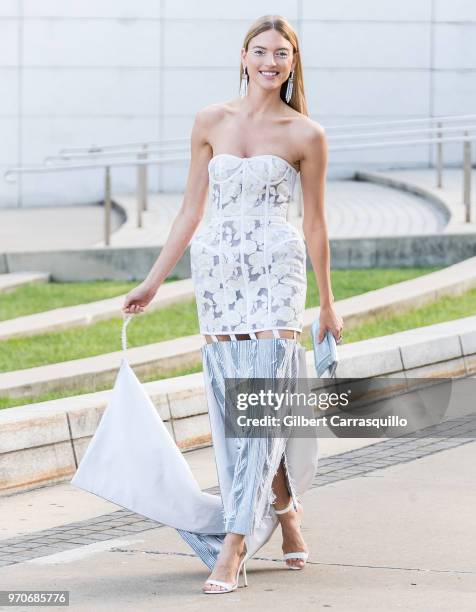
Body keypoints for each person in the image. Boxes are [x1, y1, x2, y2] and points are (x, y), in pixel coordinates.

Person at [122, 14, 343, 595]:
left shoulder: (306, 134)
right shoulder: (208, 121)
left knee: (262, 410)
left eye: (283, 54)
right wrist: (152, 282)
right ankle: (286, 512)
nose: (272, 62)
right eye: (262, 51)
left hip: (277, 274)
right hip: (218, 278)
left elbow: (316, 224)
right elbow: (190, 211)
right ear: (244, 56)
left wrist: (326, 303)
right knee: (230, 409)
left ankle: (234, 547)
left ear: (293, 63)